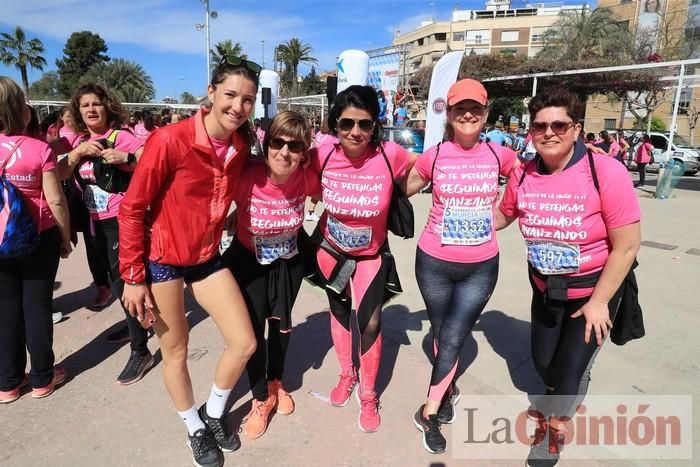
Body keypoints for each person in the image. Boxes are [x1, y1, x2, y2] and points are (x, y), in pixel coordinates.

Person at [119, 55, 261, 467]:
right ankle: (193, 428)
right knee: (175, 351)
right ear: (212, 92)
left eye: (248, 99)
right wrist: (133, 276)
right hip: (163, 259)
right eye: (231, 94)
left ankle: (212, 414)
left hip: (205, 257)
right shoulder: (170, 139)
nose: (238, 106)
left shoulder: (239, 145)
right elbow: (132, 208)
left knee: (244, 342)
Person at [496, 88, 641, 466]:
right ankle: (560, 389)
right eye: (539, 125)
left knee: (567, 371)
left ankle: (554, 428)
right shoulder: (522, 172)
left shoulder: (604, 171)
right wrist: (460, 218)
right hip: (545, 288)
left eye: (559, 124)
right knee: (543, 364)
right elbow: (504, 215)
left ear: (576, 129)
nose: (548, 132)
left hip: (593, 292)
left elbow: (626, 246)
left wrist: (599, 302)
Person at [402, 78, 518, 453]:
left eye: (476, 109)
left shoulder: (501, 155)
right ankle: (447, 386)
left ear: (486, 114)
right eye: (459, 109)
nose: (467, 114)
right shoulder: (433, 156)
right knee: (441, 332)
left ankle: (429, 412)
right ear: (449, 114)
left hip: (481, 266)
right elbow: (402, 187)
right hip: (434, 261)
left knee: (453, 336)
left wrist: (501, 217)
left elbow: (529, 182)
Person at [308, 84, 414, 433]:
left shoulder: (390, 154)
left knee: (370, 322)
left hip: (370, 255)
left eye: (364, 124)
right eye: (346, 123)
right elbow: (297, 179)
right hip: (330, 251)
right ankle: (345, 375)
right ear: (335, 124)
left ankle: (368, 394)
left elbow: (422, 172)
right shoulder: (322, 153)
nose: (355, 132)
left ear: (375, 125)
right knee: (338, 312)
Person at [222, 111, 319, 439]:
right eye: (278, 142)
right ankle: (261, 398)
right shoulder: (248, 173)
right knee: (250, 334)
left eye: (294, 146)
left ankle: (276, 383)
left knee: (281, 324)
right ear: (266, 143)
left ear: (304, 151)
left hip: (287, 260)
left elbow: (341, 172)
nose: (284, 152)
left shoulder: (306, 175)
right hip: (249, 260)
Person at [57, 83, 151, 386]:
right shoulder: (81, 141)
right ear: (78, 111)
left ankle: (141, 350)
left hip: (122, 222)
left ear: (107, 106)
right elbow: (58, 173)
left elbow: (148, 163)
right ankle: (136, 324)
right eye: (85, 105)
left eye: (96, 104)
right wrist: (75, 154)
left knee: (124, 282)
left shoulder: (120, 135)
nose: (91, 110)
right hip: (94, 223)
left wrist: (125, 158)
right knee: (114, 282)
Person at [0, 76, 72, 403]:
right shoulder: (39, 148)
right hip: (37, 238)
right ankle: (43, 378)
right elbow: (55, 199)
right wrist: (65, 236)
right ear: (23, 112)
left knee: (6, 309)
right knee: (37, 306)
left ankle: (8, 383)